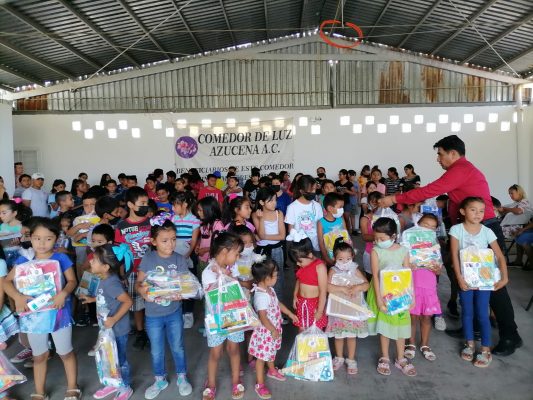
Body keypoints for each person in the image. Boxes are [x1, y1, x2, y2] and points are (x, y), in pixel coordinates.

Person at [380, 135, 522, 356]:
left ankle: (510, 335)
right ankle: (472, 329)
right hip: (465, 231)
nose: (438, 158)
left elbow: (430, 190)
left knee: (492, 284)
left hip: (483, 230)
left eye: (440, 154)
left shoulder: (461, 169)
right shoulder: (460, 171)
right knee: (468, 280)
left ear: (453, 153)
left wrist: (394, 199)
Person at [3, 217, 82, 400]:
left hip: (58, 313)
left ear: (56, 239)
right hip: (33, 317)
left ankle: (72, 386)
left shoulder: (61, 258)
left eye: (48, 238)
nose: (42, 243)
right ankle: (39, 391)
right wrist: (17, 297)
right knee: (39, 355)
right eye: (37, 238)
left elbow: (72, 281)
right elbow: (6, 281)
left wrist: (63, 293)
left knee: (65, 352)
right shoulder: (24, 259)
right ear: (30, 238)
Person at [136, 219, 193, 399]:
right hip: (153, 315)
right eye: (165, 240)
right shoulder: (148, 258)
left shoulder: (179, 259)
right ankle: (159, 379)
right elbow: (139, 283)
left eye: (173, 239)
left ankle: (182, 376)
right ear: (153, 241)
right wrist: (142, 292)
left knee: (178, 346)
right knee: (156, 350)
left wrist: (182, 293)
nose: (171, 244)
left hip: (174, 312)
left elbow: (186, 285)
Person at [449, 197, 508, 368]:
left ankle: (485, 348)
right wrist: (459, 278)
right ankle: (469, 344)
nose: (478, 214)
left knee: (482, 313)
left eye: (481, 211)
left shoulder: (487, 231)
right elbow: (454, 255)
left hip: (484, 280)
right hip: (465, 280)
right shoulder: (456, 230)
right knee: (467, 312)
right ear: (463, 211)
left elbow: (499, 256)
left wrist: (504, 277)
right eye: (473, 210)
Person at [82, 244, 133, 400]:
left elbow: (128, 301)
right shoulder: (103, 279)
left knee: (119, 360)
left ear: (105, 267)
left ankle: (125, 387)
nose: (91, 261)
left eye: (95, 260)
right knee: (109, 359)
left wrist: (114, 319)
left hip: (117, 329)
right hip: (107, 329)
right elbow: (107, 297)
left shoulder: (111, 283)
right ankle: (113, 383)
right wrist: (92, 299)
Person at [366, 217, 416, 377]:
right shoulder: (376, 251)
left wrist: (412, 296)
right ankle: (385, 356)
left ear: (393, 236)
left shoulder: (403, 251)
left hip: (400, 294)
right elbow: (375, 276)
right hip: (383, 293)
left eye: (382, 238)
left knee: (401, 325)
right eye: (376, 238)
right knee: (385, 327)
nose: (378, 241)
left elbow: (408, 274)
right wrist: (379, 299)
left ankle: (401, 358)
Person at [201, 232, 245, 400]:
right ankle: (211, 384)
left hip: (234, 314)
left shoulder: (232, 268)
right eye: (237, 254)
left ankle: (236, 380)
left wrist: (225, 274)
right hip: (216, 318)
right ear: (225, 251)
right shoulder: (208, 272)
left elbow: (236, 287)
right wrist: (222, 275)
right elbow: (214, 296)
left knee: (234, 349)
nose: (238, 257)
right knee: (215, 352)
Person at [248, 259, 298, 399]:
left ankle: (271, 370)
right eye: (275, 275)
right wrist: (273, 330)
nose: (277, 278)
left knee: (271, 352)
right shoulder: (261, 296)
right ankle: (260, 384)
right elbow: (263, 317)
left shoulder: (269, 290)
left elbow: (277, 303)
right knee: (261, 359)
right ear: (266, 278)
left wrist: (289, 313)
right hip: (266, 333)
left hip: (272, 330)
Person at [114, 186, 152, 349]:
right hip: (132, 272)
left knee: (153, 301)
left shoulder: (151, 222)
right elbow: (119, 253)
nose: (145, 206)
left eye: (146, 203)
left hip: (152, 270)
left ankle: (154, 329)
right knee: (137, 304)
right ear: (130, 204)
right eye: (141, 203)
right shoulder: (121, 226)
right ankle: (140, 331)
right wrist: (121, 274)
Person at [325, 239, 369, 375]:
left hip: (353, 310)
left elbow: (366, 285)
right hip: (338, 310)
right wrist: (341, 289)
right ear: (334, 258)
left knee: (351, 336)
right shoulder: (332, 271)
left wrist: (358, 287)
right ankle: (339, 357)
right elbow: (327, 287)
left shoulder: (355, 269)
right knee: (338, 336)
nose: (345, 262)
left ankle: (351, 359)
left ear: (352, 257)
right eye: (341, 259)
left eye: (348, 259)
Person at [404, 214, 442, 362]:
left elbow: (439, 269)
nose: (429, 229)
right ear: (417, 224)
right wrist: (408, 264)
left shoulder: (435, 245)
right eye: (426, 225)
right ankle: (411, 343)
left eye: (433, 227)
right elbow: (402, 262)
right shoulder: (407, 238)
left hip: (428, 284)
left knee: (427, 316)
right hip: (412, 282)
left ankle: (425, 344)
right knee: (412, 316)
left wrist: (436, 268)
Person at [171, 191, 200, 329]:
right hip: (175, 254)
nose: (173, 208)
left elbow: (194, 240)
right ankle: (178, 312)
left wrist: (188, 254)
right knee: (177, 283)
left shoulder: (194, 220)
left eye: (175, 205)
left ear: (185, 204)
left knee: (188, 284)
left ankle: (188, 313)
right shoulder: (173, 219)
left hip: (188, 255)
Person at [252, 188, 286, 301]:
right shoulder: (255, 214)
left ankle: (278, 304)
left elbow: (282, 236)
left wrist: (263, 236)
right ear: (261, 202)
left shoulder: (278, 213)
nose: (274, 203)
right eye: (270, 201)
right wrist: (261, 219)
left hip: (277, 249)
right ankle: (263, 303)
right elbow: (261, 234)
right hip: (262, 251)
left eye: (275, 200)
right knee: (262, 277)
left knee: (277, 277)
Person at [289, 236, 328, 330]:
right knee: (301, 330)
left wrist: (319, 311)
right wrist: (295, 295)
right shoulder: (303, 265)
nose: (297, 264)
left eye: (300, 261)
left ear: (310, 255)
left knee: (315, 331)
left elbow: (323, 291)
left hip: (315, 305)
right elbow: (299, 280)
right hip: (301, 302)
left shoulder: (320, 267)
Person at [285, 175, 323, 253]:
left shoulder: (317, 206)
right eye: (311, 190)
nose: (313, 192)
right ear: (302, 191)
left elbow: (321, 226)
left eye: (314, 189)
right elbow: (291, 230)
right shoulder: (292, 207)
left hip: (316, 246)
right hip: (301, 249)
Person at [317, 192, 350, 267]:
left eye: (343, 207)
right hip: (330, 256)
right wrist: (326, 258)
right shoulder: (321, 222)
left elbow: (346, 235)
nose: (342, 209)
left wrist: (351, 249)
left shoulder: (341, 219)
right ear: (330, 208)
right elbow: (321, 242)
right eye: (340, 207)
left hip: (344, 255)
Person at [195, 197, 224, 279]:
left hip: (211, 261)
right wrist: (198, 245)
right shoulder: (203, 223)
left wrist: (205, 250)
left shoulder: (218, 224)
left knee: (209, 280)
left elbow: (221, 244)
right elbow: (202, 237)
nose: (198, 212)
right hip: (202, 258)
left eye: (200, 210)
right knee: (201, 278)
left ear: (208, 210)